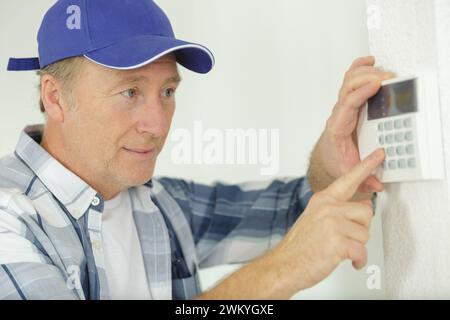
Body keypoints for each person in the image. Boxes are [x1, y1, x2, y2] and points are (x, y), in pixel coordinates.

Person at [0, 0, 392, 300]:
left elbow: (299, 214)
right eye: (130, 92)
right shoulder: (10, 220)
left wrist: (338, 152)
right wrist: (279, 272)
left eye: (167, 92)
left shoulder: (161, 205)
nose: (157, 124)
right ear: (55, 97)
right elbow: (296, 250)